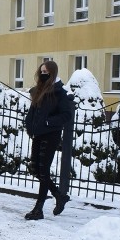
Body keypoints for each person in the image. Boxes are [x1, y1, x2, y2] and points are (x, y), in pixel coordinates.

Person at [23, 60, 75, 220]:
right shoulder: (39, 90)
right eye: (42, 72)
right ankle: (59, 196)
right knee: (36, 170)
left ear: (52, 73)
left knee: (43, 171)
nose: (43, 74)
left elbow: (66, 115)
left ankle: (38, 209)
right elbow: (33, 111)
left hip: (51, 135)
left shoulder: (60, 92)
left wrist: (48, 122)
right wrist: (29, 125)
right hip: (38, 134)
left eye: (46, 72)